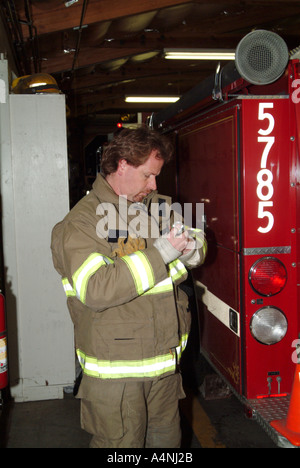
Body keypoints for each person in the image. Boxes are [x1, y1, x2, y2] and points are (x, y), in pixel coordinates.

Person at [51, 126, 207, 448]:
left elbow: (198, 239)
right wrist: (161, 253)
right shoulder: (80, 224)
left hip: (163, 367)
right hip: (117, 377)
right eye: (148, 176)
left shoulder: (156, 206)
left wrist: (191, 248)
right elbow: (95, 288)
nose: (154, 185)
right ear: (122, 165)